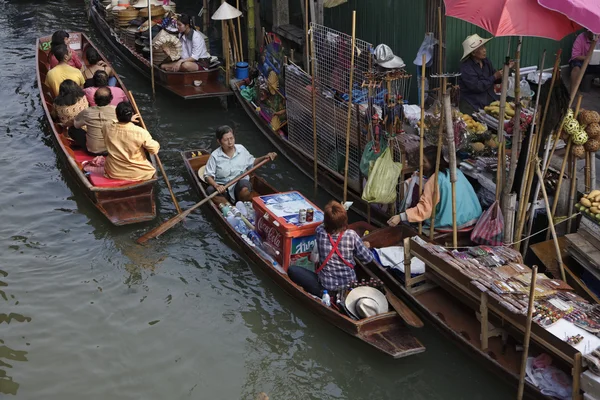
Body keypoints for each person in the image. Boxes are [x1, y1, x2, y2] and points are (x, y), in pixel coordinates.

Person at [288, 201, 373, 297]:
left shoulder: (320, 232)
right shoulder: (352, 235)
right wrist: (366, 246)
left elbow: (323, 224)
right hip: (349, 286)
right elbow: (368, 259)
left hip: (326, 287)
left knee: (292, 270)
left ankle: (322, 296)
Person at [387, 146, 482, 230]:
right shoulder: (455, 171)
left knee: (423, 221)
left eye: (424, 162)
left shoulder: (435, 180)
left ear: (433, 163)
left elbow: (425, 209)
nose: (421, 164)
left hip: (456, 222)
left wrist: (401, 217)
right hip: (475, 217)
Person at [204, 126, 276, 202]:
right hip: (223, 187)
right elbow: (208, 176)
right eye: (226, 140)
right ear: (219, 141)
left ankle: (244, 202)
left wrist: (265, 157)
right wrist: (217, 185)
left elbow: (252, 161)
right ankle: (229, 207)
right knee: (210, 190)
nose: (230, 142)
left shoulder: (241, 149)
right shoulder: (215, 156)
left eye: (231, 138)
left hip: (239, 184)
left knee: (244, 186)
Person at [103, 102, 159, 181]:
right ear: (131, 115)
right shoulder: (141, 132)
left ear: (116, 114)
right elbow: (154, 150)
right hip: (138, 173)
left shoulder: (107, 126)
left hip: (114, 172)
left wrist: (128, 119)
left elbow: (113, 121)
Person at [458, 34, 513, 114]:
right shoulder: (466, 67)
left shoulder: (486, 61)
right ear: (473, 53)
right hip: (473, 103)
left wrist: (506, 70)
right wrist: (494, 77)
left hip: (489, 99)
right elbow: (477, 87)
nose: (485, 50)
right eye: (481, 48)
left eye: (484, 47)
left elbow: (495, 79)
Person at [72, 87, 117, 155]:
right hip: (111, 150)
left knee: (72, 129)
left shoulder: (87, 111)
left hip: (92, 151)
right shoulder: (116, 110)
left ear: (95, 98)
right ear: (111, 98)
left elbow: (76, 125)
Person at [52, 80, 89, 144]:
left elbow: (53, 116)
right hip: (87, 130)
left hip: (68, 134)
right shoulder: (83, 97)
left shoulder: (57, 103)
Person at [570, 30, 600, 95]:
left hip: (596, 63)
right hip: (582, 61)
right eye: (592, 32)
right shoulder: (580, 38)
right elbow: (575, 56)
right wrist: (588, 58)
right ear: (588, 31)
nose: (595, 35)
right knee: (576, 68)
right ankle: (573, 93)